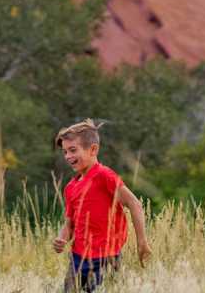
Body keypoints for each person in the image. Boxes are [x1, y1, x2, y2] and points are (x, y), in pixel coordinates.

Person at [51, 119, 151, 292]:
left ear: (93, 150)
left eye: (73, 150)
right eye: (65, 151)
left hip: (106, 258)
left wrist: (142, 242)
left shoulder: (104, 176)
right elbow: (69, 224)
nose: (68, 156)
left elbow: (134, 204)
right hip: (77, 258)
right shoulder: (70, 188)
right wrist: (62, 239)